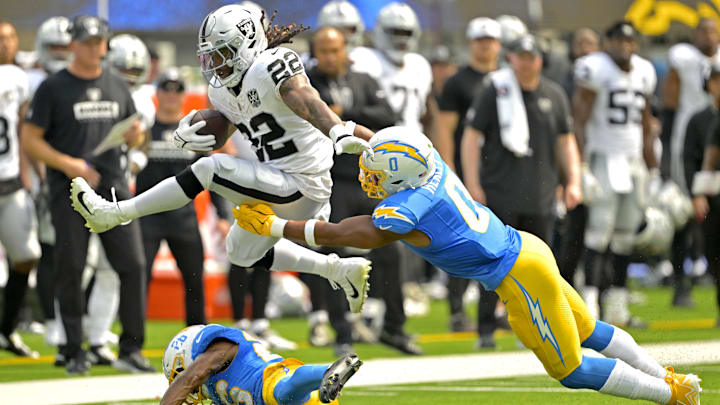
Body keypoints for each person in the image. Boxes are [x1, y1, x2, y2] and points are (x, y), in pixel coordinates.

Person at [234, 126, 701, 405]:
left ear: (401, 179)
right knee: (589, 330)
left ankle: (670, 394)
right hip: (529, 250)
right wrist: (352, 134)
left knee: (571, 370)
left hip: (518, 276)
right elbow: (393, 145)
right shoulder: (427, 161)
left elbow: (342, 234)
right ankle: (670, 379)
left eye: (378, 174)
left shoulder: (404, 210)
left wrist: (275, 226)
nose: (369, 177)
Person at [69, 5, 374, 317]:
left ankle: (115, 212)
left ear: (249, 43)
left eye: (223, 52)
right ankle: (338, 270)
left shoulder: (271, 65)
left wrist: (336, 129)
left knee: (209, 169)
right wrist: (194, 133)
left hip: (304, 184)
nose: (216, 63)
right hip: (277, 180)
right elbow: (230, 126)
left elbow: (305, 98)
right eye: (210, 55)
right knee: (240, 252)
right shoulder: (223, 91)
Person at [22, 15, 151, 375]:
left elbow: (134, 135)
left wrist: (135, 135)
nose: (95, 48)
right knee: (72, 268)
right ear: (74, 44)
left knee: (133, 265)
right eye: (88, 42)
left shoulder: (116, 83)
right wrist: (68, 164)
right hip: (69, 191)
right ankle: (73, 348)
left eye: (100, 42)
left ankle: (131, 348)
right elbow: (31, 138)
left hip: (113, 189)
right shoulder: (53, 87)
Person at [461, 34, 582, 346]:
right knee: (493, 263)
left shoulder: (554, 94)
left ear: (541, 59)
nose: (527, 63)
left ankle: (535, 329)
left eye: (533, 56)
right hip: (499, 192)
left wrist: (574, 181)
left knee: (539, 266)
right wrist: (472, 184)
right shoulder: (494, 91)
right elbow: (471, 137)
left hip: (540, 195)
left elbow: (565, 141)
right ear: (511, 58)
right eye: (521, 56)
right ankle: (486, 328)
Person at [307, 26, 413, 355]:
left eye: (334, 50)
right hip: (331, 180)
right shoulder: (306, 83)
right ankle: (342, 332)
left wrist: (347, 115)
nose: (329, 56)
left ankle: (395, 326)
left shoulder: (363, 79)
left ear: (345, 50)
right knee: (334, 252)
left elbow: (388, 116)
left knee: (392, 250)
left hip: (371, 181)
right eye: (322, 50)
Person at [573, 21, 658, 326]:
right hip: (602, 159)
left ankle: (618, 307)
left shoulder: (645, 71)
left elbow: (646, 124)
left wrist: (654, 169)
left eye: (629, 41)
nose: (624, 45)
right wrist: (580, 166)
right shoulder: (594, 68)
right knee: (598, 233)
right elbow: (579, 119)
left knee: (625, 238)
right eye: (618, 40)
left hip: (632, 161)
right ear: (606, 42)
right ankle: (590, 306)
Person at [436, 16, 502, 336]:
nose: (485, 45)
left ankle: (499, 308)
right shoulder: (458, 81)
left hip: (500, 171)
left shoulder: (507, 80)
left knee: (498, 242)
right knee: (462, 242)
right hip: (465, 171)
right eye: (480, 40)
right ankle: (457, 308)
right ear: (471, 43)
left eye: (490, 40)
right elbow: (445, 128)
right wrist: (450, 169)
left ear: (499, 44)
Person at [135, 68, 207, 326]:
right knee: (139, 278)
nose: (171, 94)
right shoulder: (143, 132)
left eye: (177, 89)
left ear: (184, 95)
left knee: (194, 279)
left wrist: (222, 214)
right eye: (166, 88)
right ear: (157, 92)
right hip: (147, 217)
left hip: (183, 218)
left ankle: (198, 338)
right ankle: (132, 343)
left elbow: (213, 173)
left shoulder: (195, 134)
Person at [662, 17, 720, 306]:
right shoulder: (683, 58)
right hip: (689, 137)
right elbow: (669, 103)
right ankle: (679, 281)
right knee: (684, 214)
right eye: (704, 30)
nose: (709, 35)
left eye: (714, 30)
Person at [160, 324, 362, 405]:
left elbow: (189, 379)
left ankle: (328, 372)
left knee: (280, 393)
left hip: (275, 379)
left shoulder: (216, 350)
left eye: (179, 372)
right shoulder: (214, 389)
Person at [0, 21, 42, 358]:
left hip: (10, 181)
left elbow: (25, 128)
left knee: (26, 257)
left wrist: (33, 174)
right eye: (0, 38)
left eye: (11, 37)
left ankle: (6, 329)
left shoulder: (18, 78)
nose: (6, 43)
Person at [687, 64, 720, 325]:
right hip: (714, 195)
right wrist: (698, 192)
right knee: (715, 252)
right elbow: (702, 160)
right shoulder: (702, 121)